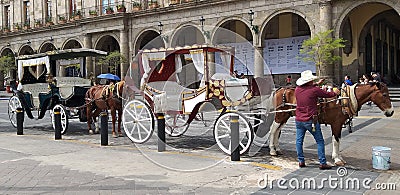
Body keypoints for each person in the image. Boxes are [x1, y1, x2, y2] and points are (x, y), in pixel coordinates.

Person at [295, 70, 340, 170]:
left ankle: (301, 161)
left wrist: (317, 83)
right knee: (319, 141)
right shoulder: (314, 90)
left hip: (299, 120)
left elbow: (307, 88)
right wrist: (335, 92)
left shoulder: (297, 89)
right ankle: (322, 162)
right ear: (309, 81)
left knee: (299, 141)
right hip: (311, 121)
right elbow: (327, 94)